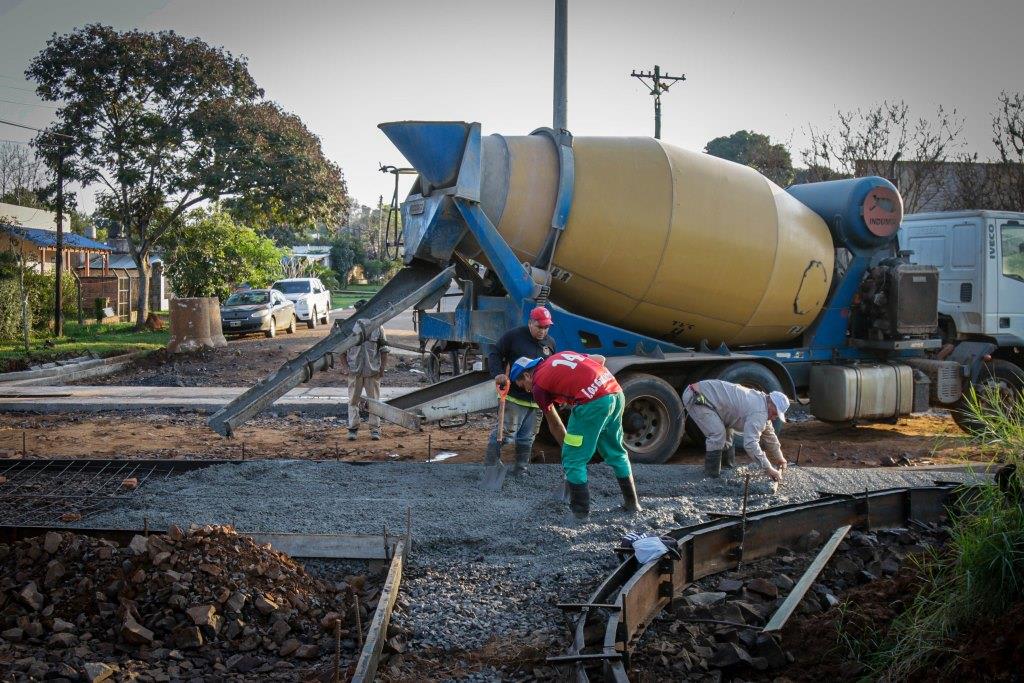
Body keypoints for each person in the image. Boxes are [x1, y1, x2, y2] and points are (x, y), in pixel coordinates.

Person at [510, 352, 641, 522]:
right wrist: (576, 388)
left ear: (527, 375)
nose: (526, 389)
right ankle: (633, 504)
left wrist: (569, 454)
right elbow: (600, 359)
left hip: (592, 403)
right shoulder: (559, 356)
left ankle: (579, 514)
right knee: (616, 452)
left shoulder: (538, 387)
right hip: (615, 392)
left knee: (573, 459)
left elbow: (555, 424)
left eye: (522, 385)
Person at [486, 306, 557, 477]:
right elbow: (495, 353)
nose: (543, 331)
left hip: (537, 400)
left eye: (546, 327)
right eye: (539, 327)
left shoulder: (550, 343)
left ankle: (521, 470)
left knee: (527, 437)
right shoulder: (514, 336)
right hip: (515, 398)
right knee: (506, 435)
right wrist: (498, 373)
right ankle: (490, 467)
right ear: (530, 323)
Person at [681, 379, 790, 481]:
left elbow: (770, 435)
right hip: (697, 396)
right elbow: (751, 444)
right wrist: (768, 468)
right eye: (775, 413)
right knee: (717, 434)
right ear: (770, 403)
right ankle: (711, 476)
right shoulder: (759, 411)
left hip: (707, 396)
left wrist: (780, 458)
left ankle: (726, 469)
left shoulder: (763, 403)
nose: (774, 418)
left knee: (728, 432)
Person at [345, 325, 389, 441]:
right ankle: (353, 429)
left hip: (372, 371)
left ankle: (375, 429)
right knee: (353, 401)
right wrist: (345, 367)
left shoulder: (378, 327)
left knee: (374, 402)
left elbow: (384, 350)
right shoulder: (350, 327)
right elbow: (341, 350)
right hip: (355, 371)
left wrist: (382, 368)